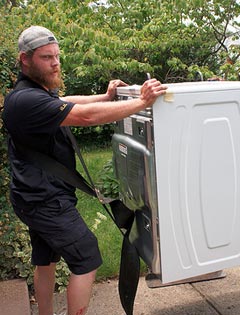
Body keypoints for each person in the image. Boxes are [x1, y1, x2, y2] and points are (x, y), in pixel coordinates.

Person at [2, 25, 167, 315]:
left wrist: (105, 97)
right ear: (25, 60)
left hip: (32, 196)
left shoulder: (31, 93)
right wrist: (142, 102)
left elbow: (68, 102)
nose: (55, 63)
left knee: (45, 258)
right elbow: (85, 116)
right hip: (45, 200)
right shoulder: (26, 99)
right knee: (87, 257)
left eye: (56, 56)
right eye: (46, 57)